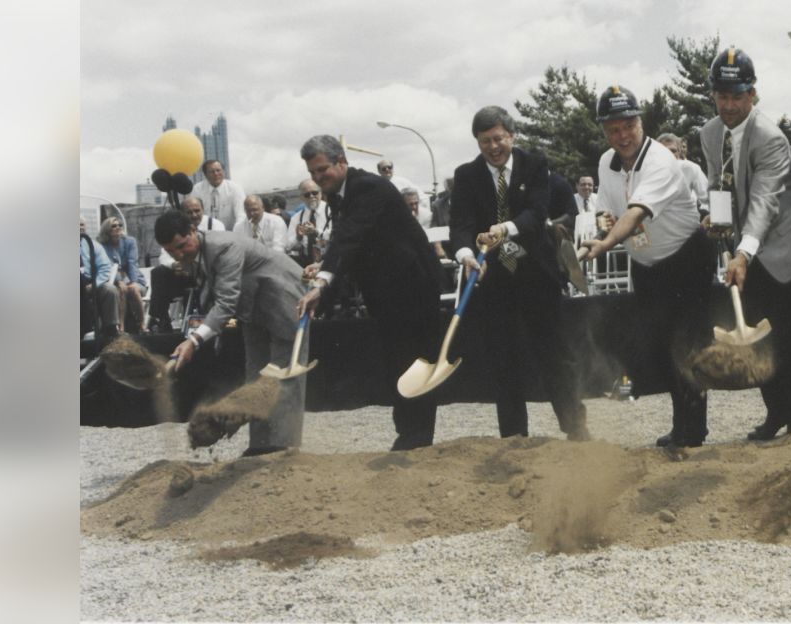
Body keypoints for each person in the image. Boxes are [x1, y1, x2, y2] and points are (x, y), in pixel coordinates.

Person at [701, 46, 791, 441]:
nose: (729, 104)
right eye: (722, 95)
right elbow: (721, 184)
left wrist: (742, 252)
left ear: (754, 94)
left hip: (787, 250)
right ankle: (777, 414)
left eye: (738, 96)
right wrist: (717, 220)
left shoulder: (770, 137)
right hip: (747, 251)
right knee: (759, 337)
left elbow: (764, 201)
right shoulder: (709, 133)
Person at [582, 86, 715, 447]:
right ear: (605, 132)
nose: (622, 136)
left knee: (686, 346)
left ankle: (692, 434)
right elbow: (608, 211)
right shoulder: (606, 163)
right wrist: (603, 224)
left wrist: (607, 241)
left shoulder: (661, 160)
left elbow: (636, 211)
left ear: (640, 122)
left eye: (628, 126)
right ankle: (683, 426)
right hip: (646, 264)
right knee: (662, 345)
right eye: (613, 129)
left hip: (686, 259)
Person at [449, 105, 589, 441]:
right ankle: (513, 437)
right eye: (485, 141)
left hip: (537, 276)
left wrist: (504, 229)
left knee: (555, 356)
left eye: (498, 139)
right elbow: (462, 224)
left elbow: (537, 211)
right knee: (503, 360)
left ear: (511, 135)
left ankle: (575, 427)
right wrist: (467, 254)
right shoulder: (467, 176)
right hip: (494, 280)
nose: (493, 147)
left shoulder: (535, 164)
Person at [296, 135, 443, 451]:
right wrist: (323, 266)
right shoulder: (339, 194)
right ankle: (409, 433)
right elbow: (349, 243)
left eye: (323, 170)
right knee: (396, 360)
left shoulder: (368, 187)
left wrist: (322, 281)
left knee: (414, 359)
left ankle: (417, 438)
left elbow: (350, 236)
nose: (319, 178)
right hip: (385, 289)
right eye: (313, 173)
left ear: (341, 162)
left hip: (414, 285)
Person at [157, 210, 308, 456]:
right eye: (171, 251)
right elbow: (212, 297)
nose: (178, 254)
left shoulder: (223, 246)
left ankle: (283, 446)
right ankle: (261, 446)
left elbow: (226, 302)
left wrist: (192, 342)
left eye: (182, 246)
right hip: (251, 309)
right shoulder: (195, 253)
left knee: (285, 373)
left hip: (285, 299)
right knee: (255, 377)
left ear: (194, 230)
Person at [147, 196, 225, 333]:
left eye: (197, 211)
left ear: (203, 209)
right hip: (184, 272)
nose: (194, 215)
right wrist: (175, 265)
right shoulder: (174, 228)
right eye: (189, 212)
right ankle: (161, 319)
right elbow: (164, 255)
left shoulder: (216, 224)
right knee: (158, 273)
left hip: (208, 271)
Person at [97, 216, 148, 334]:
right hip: (115, 279)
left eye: (119, 225)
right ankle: (121, 327)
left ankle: (142, 324)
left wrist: (134, 281)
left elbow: (132, 262)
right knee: (121, 289)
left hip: (134, 278)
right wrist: (118, 280)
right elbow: (108, 265)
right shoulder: (103, 247)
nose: (118, 227)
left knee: (134, 289)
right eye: (114, 226)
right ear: (107, 230)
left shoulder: (130, 241)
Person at [80, 217, 120, 342]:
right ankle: (84, 329)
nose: (80, 227)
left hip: (90, 283)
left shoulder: (93, 245)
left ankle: (111, 330)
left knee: (110, 289)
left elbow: (104, 268)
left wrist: (93, 285)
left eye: (82, 224)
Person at [657, 132, 709, 215]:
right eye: (664, 151)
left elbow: (709, 198)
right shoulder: (646, 170)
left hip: (686, 222)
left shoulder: (690, 168)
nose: (669, 155)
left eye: (673, 151)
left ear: (679, 153)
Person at [190, 159, 247, 232]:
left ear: (223, 171)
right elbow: (192, 215)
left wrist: (236, 234)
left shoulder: (235, 188)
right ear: (205, 174)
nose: (216, 174)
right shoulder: (197, 189)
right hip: (205, 234)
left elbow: (241, 215)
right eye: (212, 172)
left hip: (230, 233)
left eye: (218, 170)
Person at [285, 178, 331, 268]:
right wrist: (298, 237)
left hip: (329, 259)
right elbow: (288, 246)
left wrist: (316, 232)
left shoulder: (331, 211)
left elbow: (337, 235)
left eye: (314, 193)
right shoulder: (297, 218)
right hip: (307, 262)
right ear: (301, 197)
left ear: (321, 192)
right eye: (306, 195)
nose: (311, 196)